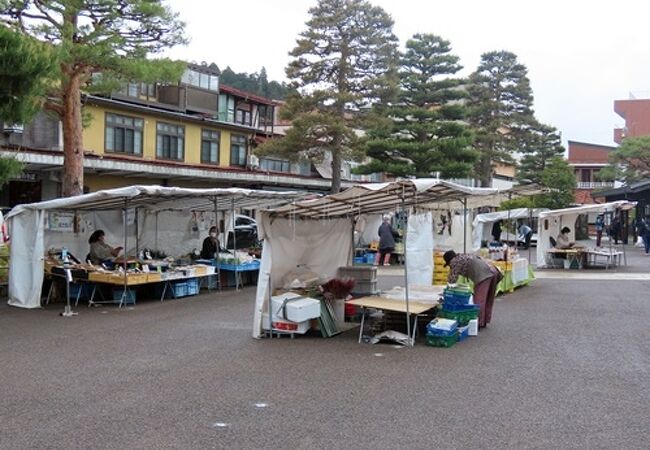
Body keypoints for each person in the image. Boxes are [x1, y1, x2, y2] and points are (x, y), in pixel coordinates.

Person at [444, 250, 500, 328]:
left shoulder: (454, 261)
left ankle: (478, 323)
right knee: (488, 299)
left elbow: (452, 279)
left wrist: (447, 289)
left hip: (483, 275)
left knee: (479, 300)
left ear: (449, 260)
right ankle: (485, 320)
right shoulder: (463, 256)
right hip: (493, 271)